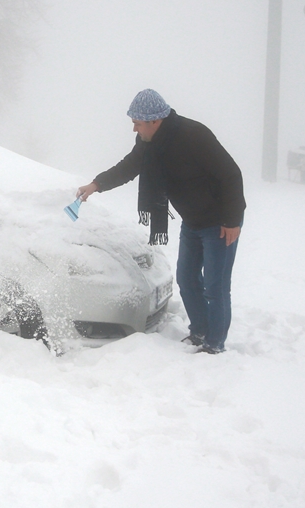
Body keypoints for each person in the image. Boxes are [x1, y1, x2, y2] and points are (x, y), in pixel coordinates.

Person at [77, 89, 245, 354]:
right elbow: (130, 165)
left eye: (137, 123)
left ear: (155, 121)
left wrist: (232, 220)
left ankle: (215, 344)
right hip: (193, 221)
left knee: (215, 286)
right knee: (187, 279)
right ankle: (200, 331)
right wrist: (97, 184)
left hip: (220, 222)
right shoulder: (149, 142)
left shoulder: (194, 135)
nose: (134, 128)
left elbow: (231, 175)